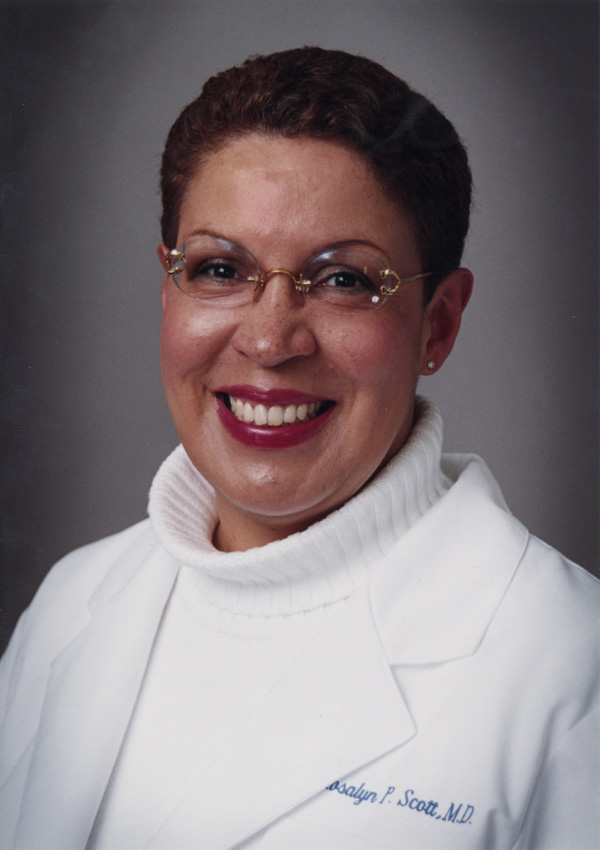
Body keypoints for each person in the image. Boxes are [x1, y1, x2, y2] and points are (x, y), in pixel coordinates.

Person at [0, 47, 597, 850]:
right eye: (219, 268)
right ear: (167, 288)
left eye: (346, 280)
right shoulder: (71, 603)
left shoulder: (568, 665)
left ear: (438, 323)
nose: (271, 338)